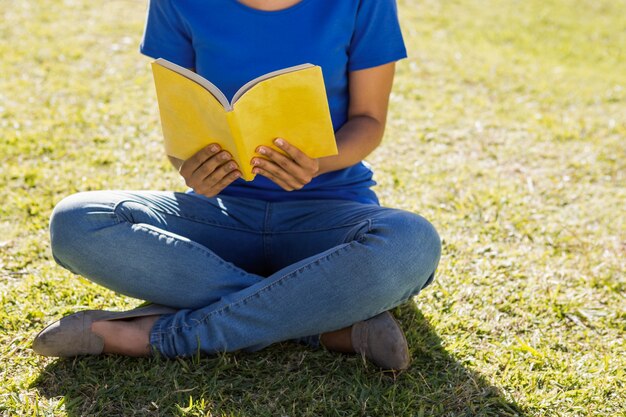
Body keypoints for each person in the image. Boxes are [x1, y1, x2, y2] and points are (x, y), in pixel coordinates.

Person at [33, 0, 441, 371]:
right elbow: (182, 128)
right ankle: (318, 322)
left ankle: (161, 337)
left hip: (329, 220)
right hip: (220, 218)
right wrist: (190, 167)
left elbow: (369, 120)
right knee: (76, 221)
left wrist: (317, 164)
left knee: (412, 241)